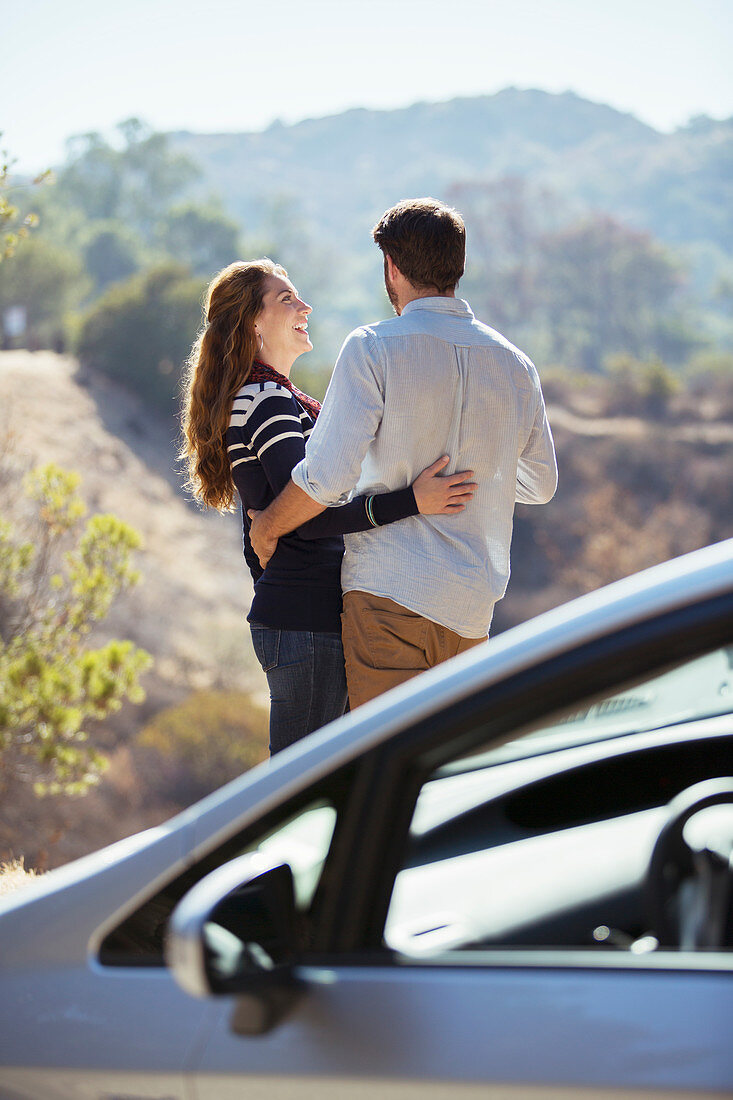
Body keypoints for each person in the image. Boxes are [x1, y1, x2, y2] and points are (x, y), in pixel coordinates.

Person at [249, 198, 558, 709]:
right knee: (450, 769)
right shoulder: (515, 364)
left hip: (389, 597)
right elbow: (541, 484)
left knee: (386, 766)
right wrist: (481, 473)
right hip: (472, 610)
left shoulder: (372, 346)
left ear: (391, 267)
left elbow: (325, 478)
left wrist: (268, 527)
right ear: (458, 265)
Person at [179, 258, 476, 753]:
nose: (305, 306)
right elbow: (308, 510)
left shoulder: (275, 396)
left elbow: (277, 520)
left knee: (321, 784)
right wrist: (413, 501)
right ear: (254, 322)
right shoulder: (266, 398)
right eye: (286, 299)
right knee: (300, 790)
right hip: (307, 621)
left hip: (309, 617)